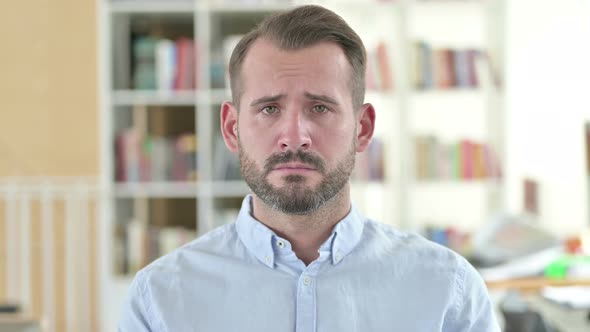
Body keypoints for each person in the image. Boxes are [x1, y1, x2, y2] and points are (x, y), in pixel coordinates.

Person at [118, 5, 500, 332]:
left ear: (362, 128)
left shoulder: (448, 291)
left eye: (319, 107)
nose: (294, 137)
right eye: (269, 109)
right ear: (232, 129)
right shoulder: (160, 300)